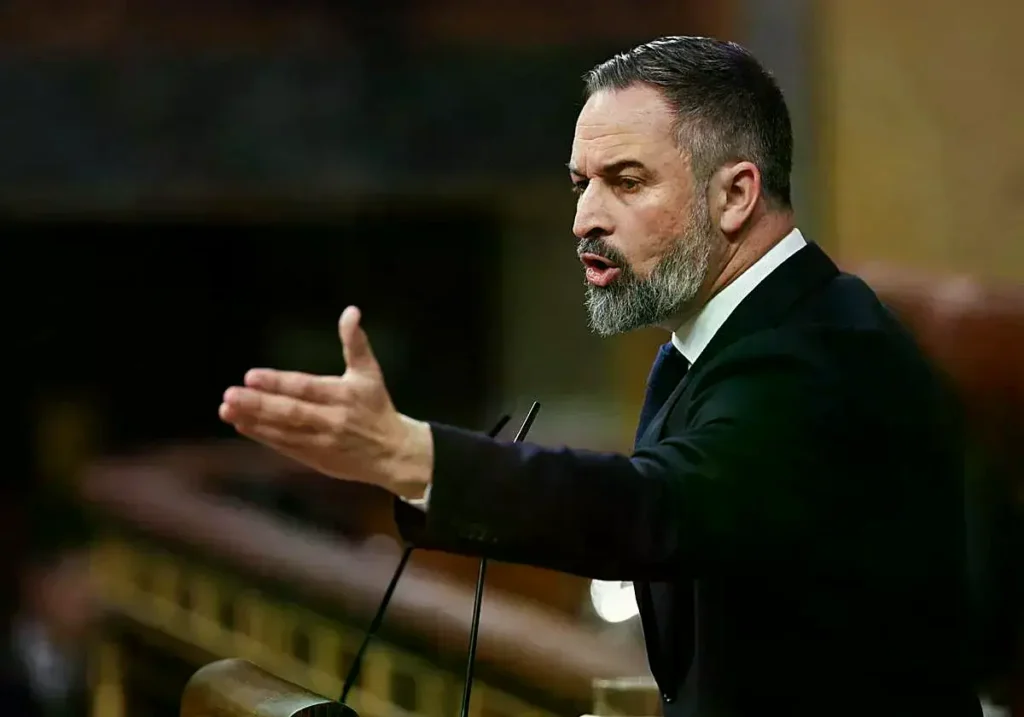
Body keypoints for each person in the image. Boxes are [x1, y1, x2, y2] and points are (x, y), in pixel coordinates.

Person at [219, 36, 979, 716]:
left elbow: (658, 506)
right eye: (581, 182)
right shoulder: (735, 334)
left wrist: (414, 457)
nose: (585, 217)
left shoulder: (816, 352)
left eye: (626, 181)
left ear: (736, 194)